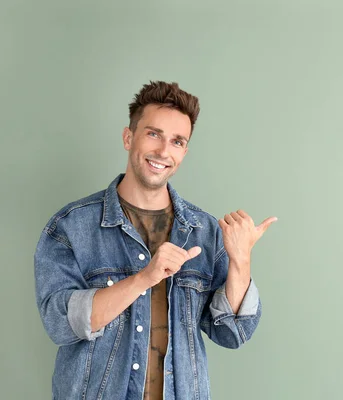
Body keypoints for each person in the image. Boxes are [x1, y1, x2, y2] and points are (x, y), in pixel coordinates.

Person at [34, 81, 276, 400]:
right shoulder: (71, 226)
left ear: (184, 152)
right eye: (153, 134)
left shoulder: (204, 231)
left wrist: (240, 262)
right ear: (128, 137)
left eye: (177, 141)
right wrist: (144, 279)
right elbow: (60, 323)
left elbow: (231, 333)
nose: (164, 152)